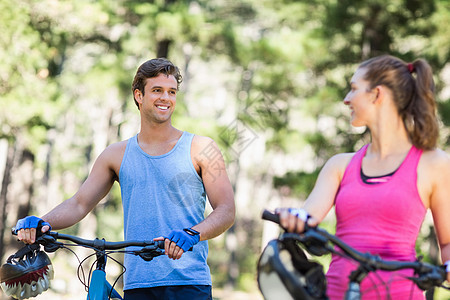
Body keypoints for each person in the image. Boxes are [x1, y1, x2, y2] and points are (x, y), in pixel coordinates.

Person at [14, 58, 236, 300]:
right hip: (137, 284)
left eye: (171, 92)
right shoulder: (115, 155)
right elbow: (79, 203)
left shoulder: (203, 148)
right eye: (157, 90)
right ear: (138, 95)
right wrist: (41, 222)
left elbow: (226, 210)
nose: (166, 98)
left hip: (189, 283)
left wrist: (191, 234)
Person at [278, 55, 450, 299]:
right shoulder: (340, 165)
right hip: (338, 293)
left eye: (354, 89)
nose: (346, 99)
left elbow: (447, 242)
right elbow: (309, 216)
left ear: (376, 94)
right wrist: (295, 219)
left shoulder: (433, 163)